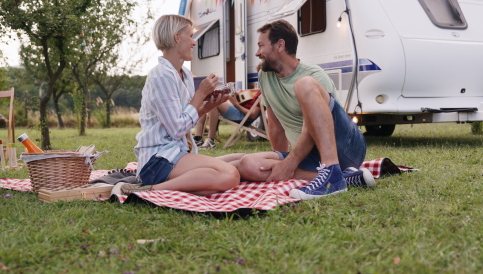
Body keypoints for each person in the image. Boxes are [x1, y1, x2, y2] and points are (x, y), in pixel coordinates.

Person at [236, 20, 372, 200]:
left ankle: (331, 170)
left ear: (280, 45)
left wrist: (291, 162)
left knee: (304, 85)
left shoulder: (314, 76)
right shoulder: (265, 76)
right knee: (248, 165)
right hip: (309, 156)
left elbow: (316, 125)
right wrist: (283, 162)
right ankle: (346, 179)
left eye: (261, 45)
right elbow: (276, 126)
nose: (257, 52)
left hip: (345, 147)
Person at [123, 14, 240, 196]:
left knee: (239, 161)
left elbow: (185, 120)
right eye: (190, 36)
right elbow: (177, 129)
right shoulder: (161, 75)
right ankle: (149, 190)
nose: (194, 42)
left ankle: (185, 184)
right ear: (177, 37)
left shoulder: (183, 73)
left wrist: (208, 106)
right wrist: (200, 93)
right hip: (157, 161)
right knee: (229, 173)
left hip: (177, 153)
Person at [195, 90, 262, 149]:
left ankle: (210, 141)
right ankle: (198, 139)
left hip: (243, 116)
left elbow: (253, 115)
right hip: (240, 111)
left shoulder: (262, 94)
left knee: (213, 102)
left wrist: (235, 104)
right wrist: (240, 94)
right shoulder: (261, 90)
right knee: (205, 101)